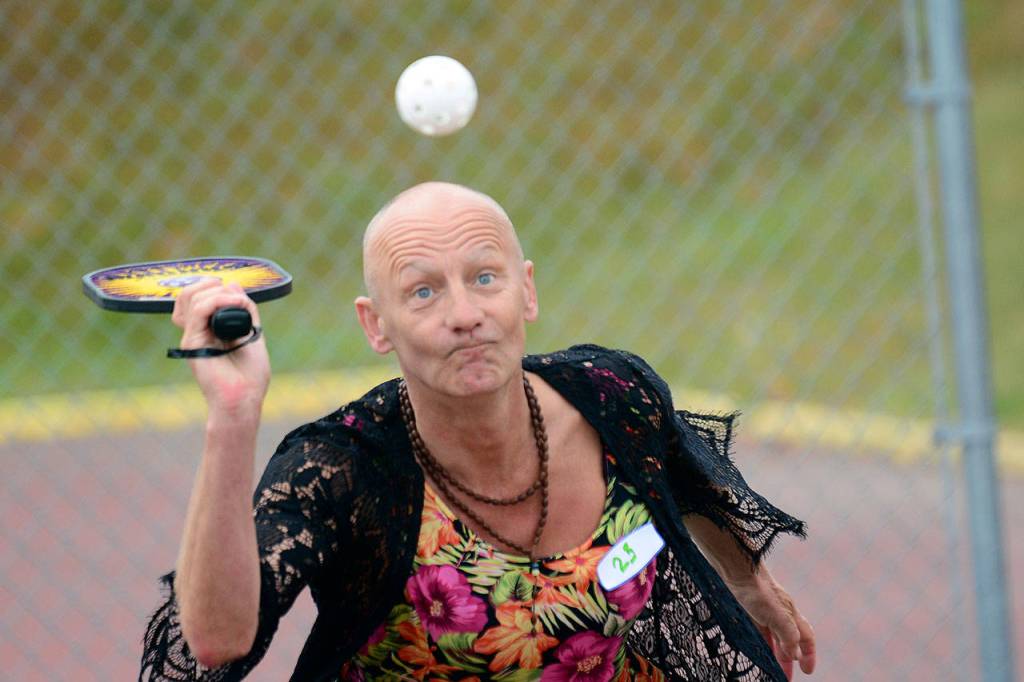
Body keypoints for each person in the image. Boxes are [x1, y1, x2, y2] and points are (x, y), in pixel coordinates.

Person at [140, 182, 817, 681]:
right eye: (423, 291)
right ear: (376, 325)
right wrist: (233, 415)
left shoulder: (612, 396)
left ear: (526, 292)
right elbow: (219, 640)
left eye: (484, 278)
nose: (465, 314)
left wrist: (747, 576)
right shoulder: (341, 470)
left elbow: (681, 472)